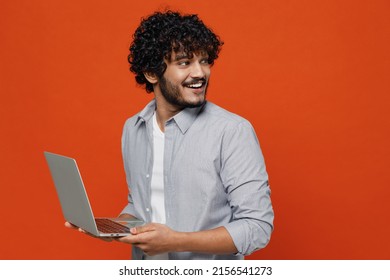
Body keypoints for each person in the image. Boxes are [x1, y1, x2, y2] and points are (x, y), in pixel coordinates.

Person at [68, 10, 274, 260]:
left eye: (205, 60)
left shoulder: (232, 131)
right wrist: (109, 228)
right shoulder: (133, 128)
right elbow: (141, 204)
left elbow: (257, 227)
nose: (200, 73)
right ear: (152, 73)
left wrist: (176, 241)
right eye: (185, 63)